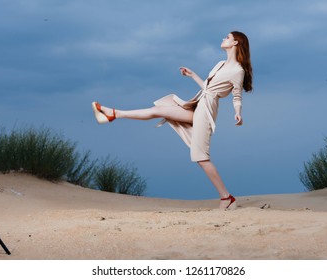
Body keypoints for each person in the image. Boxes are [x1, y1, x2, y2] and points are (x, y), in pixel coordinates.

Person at [92, 31, 253, 209]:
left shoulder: (237, 70)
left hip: (206, 111)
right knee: (159, 110)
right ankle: (113, 113)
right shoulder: (220, 64)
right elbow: (208, 87)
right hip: (198, 103)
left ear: (235, 43)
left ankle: (226, 198)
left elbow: (236, 95)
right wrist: (193, 75)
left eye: (227, 37)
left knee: (201, 157)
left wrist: (238, 113)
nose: (224, 38)